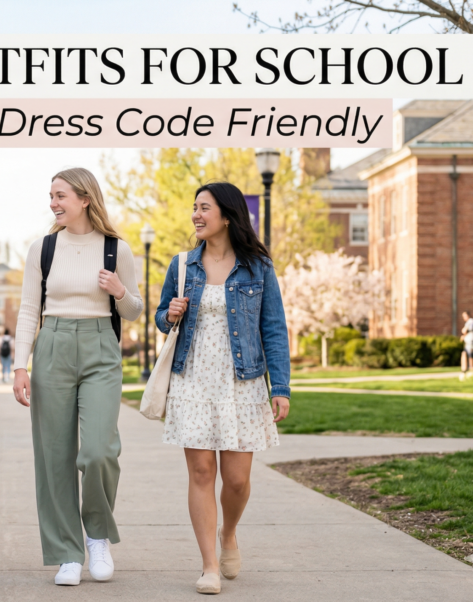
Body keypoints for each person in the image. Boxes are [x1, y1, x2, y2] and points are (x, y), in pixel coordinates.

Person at [155, 182, 290, 595]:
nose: (196, 215)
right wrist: (169, 313)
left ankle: (229, 531)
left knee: (235, 480)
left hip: (242, 381)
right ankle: (209, 564)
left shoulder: (258, 268)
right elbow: (162, 319)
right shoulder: (182, 266)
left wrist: (279, 386)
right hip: (192, 379)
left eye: (204, 208)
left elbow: (273, 328)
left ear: (227, 216)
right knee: (200, 472)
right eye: (194, 208)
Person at [11, 167, 144, 586]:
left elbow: (136, 310)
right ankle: (68, 551)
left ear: (85, 198)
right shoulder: (43, 249)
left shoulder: (115, 249)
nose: (53, 202)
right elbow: (29, 310)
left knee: (100, 450)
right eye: (51, 195)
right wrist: (19, 365)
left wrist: (120, 291)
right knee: (54, 456)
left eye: (61, 195)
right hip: (52, 345)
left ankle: (97, 535)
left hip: (101, 347)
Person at [461, 311, 472, 381]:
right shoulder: (468, 322)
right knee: (465, 354)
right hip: (468, 342)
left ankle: (471, 369)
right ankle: (464, 370)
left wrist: (463, 335)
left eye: (464, 316)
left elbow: (465, 331)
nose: (463, 318)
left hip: (471, 342)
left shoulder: (470, 321)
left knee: (470, 356)